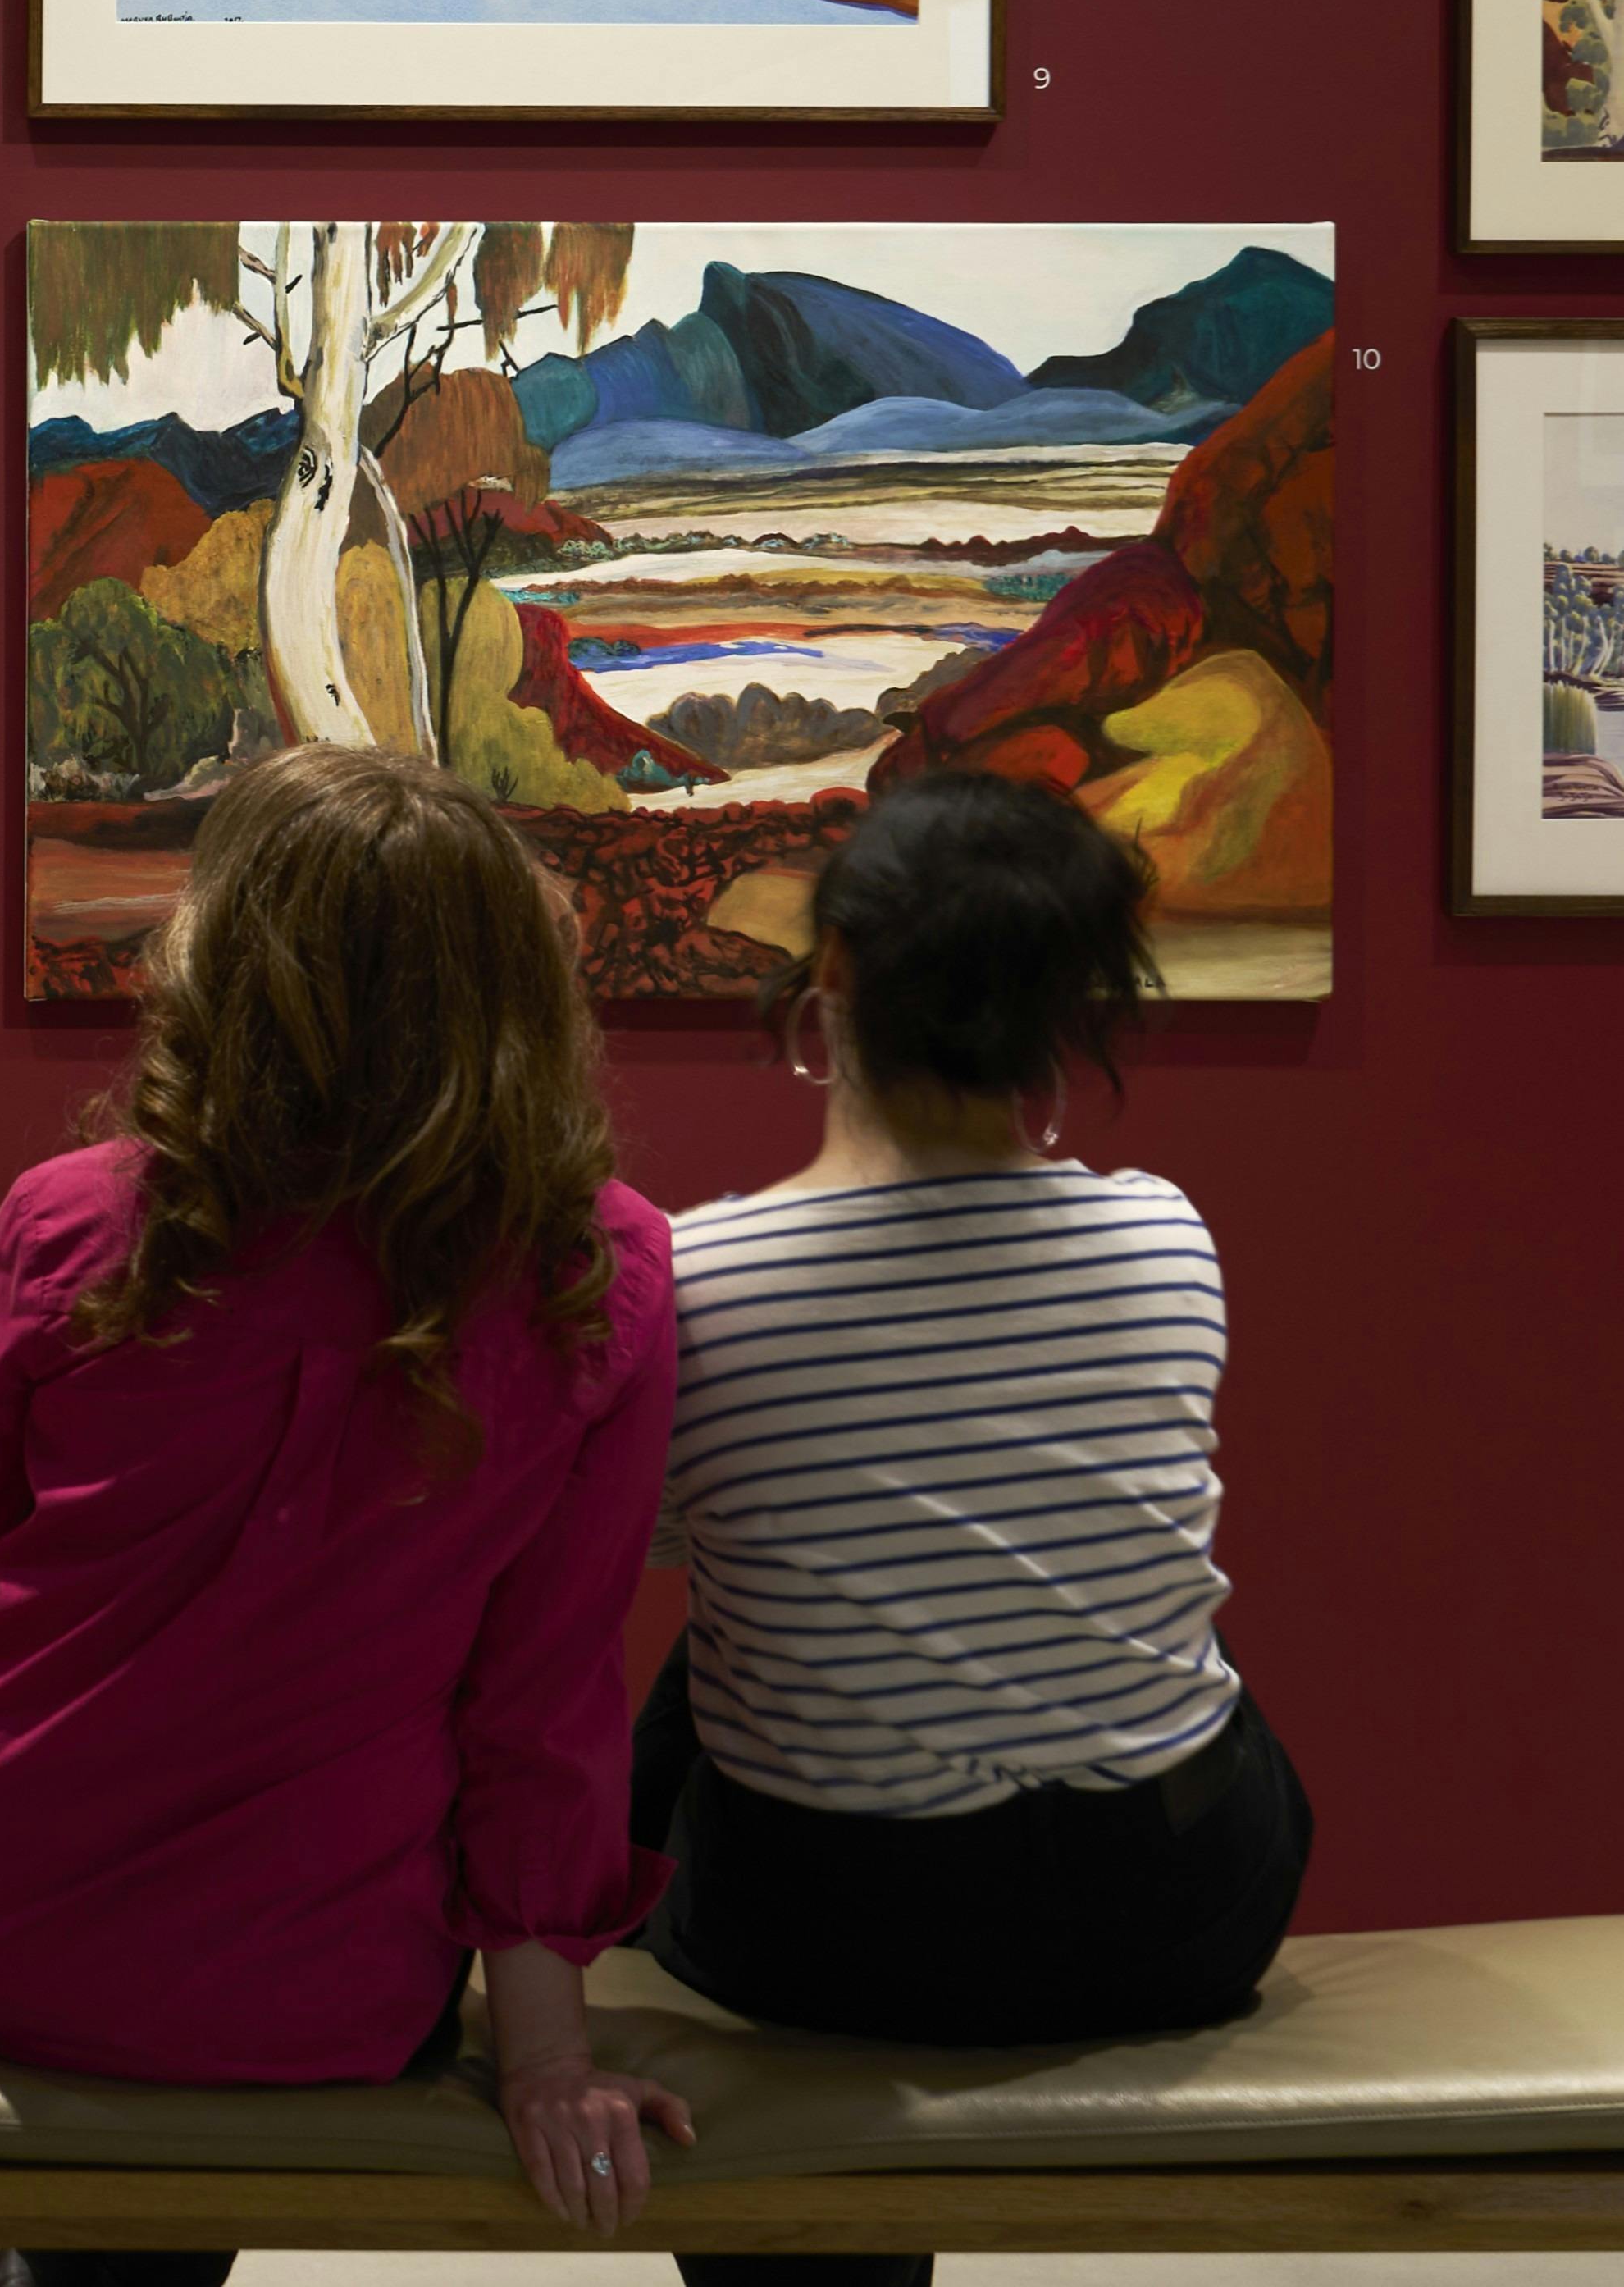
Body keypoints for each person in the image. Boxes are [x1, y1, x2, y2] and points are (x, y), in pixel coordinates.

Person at [0, 741, 698, 2285]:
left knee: (109, 2158)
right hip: (325, 1986)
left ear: (226, 957)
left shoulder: (73, 1220)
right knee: (193, 2055)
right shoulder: (598, 1276)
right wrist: (543, 2058)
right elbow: (545, 1699)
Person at [636, 771, 1315, 2287]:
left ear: (830, 979)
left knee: (717, 1659)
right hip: (1180, 1906)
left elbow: (662, 1549)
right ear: (1064, 1007)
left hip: (832, 1940)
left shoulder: (698, 1282)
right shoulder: (1162, 1236)